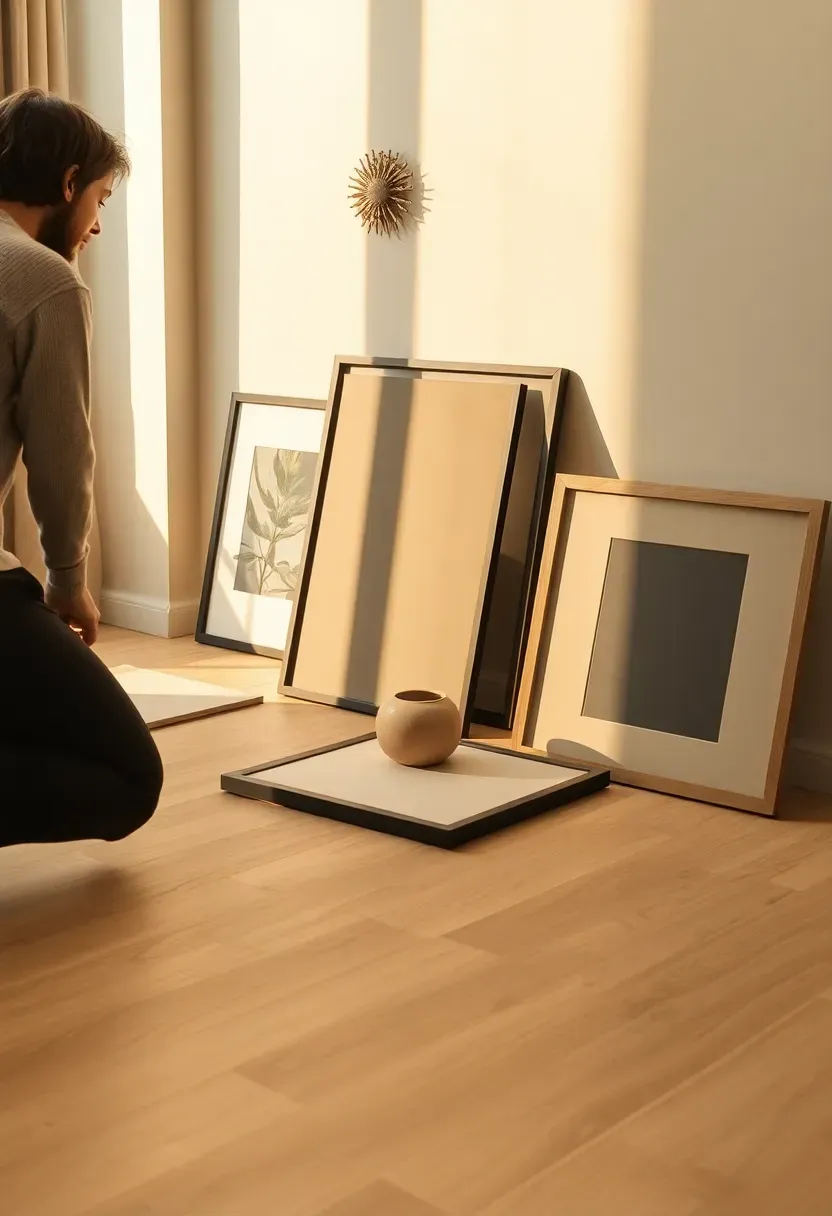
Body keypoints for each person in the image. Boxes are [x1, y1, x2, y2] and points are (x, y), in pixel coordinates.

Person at [0, 88, 163, 847]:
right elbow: (62, 459)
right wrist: (68, 581)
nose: (97, 223)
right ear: (67, 185)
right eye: (99, 198)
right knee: (129, 776)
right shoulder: (41, 278)